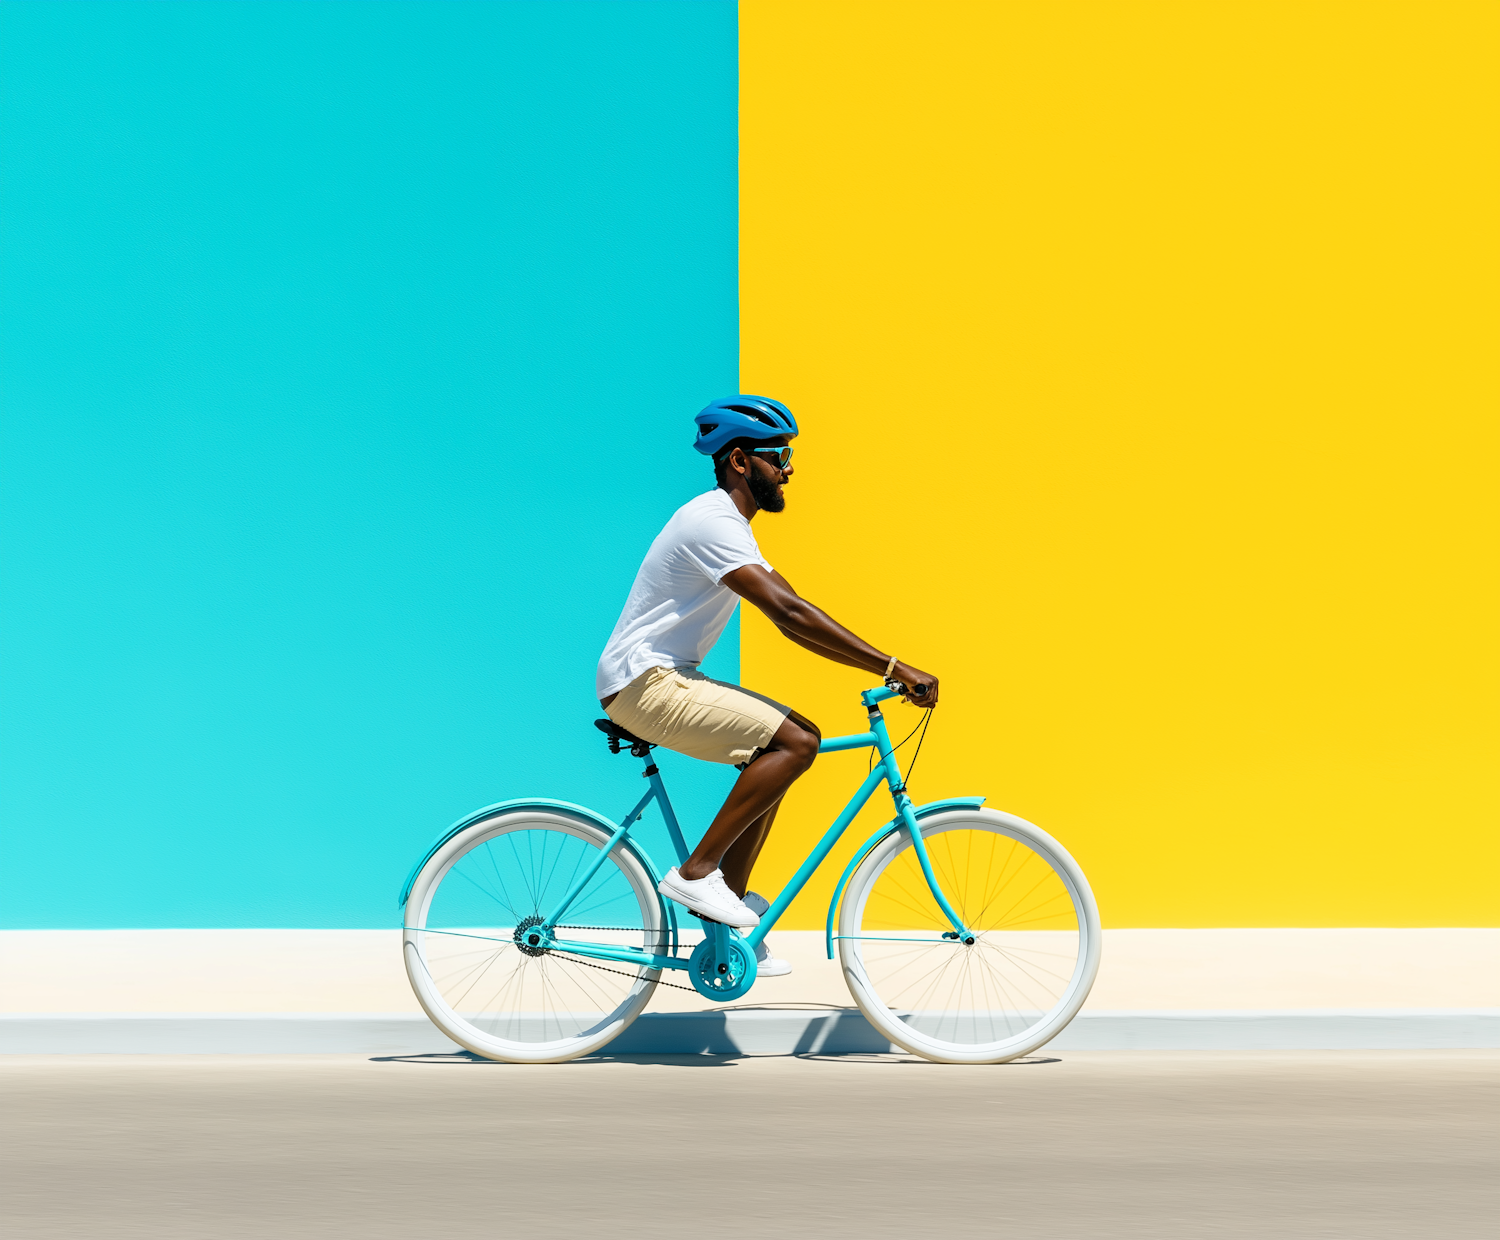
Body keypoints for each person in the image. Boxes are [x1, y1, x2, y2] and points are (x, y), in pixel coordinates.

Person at [596, 396, 938, 976]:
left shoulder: (730, 528)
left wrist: (881, 665)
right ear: (738, 460)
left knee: (785, 745)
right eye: (779, 456)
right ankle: (697, 873)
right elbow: (789, 613)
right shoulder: (712, 522)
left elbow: (794, 617)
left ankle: (729, 925)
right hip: (644, 681)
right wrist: (892, 667)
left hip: (661, 679)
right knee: (796, 743)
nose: (789, 469)